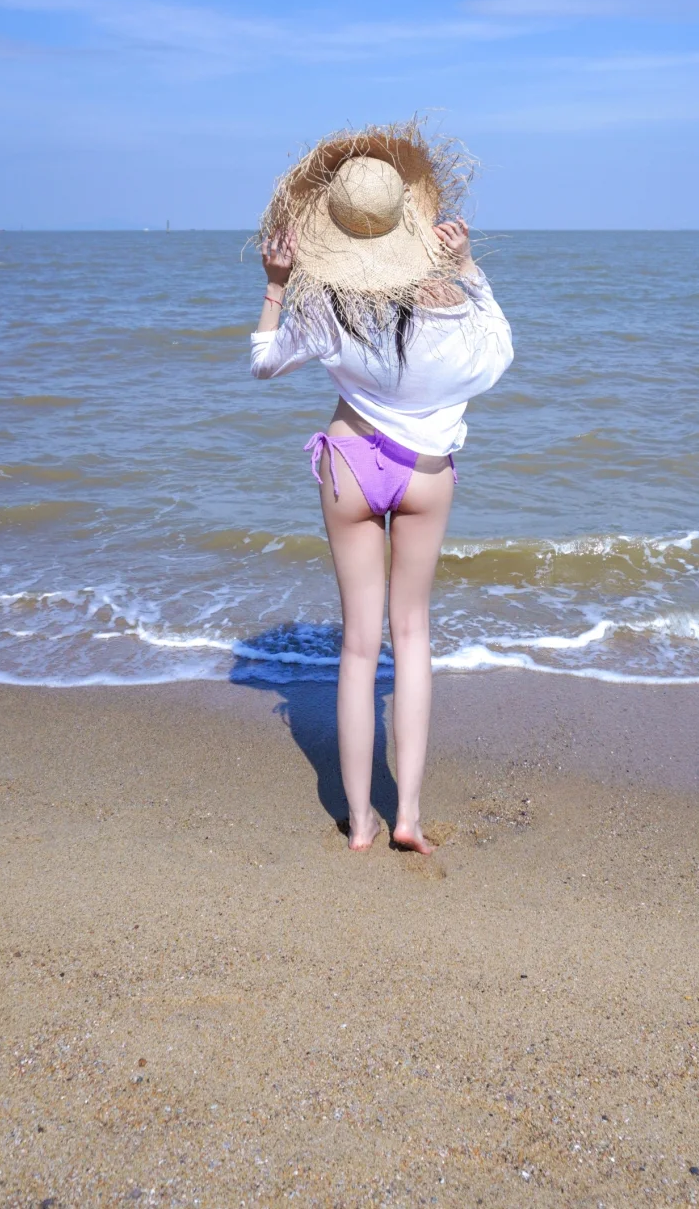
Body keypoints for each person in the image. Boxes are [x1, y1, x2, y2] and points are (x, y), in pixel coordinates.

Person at [249, 123, 513, 853]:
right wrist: (467, 269)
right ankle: (409, 817)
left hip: (351, 463)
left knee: (360, 647)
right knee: (413, 638)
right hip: (427, 477)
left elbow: (265, 364)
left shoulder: (327, 304)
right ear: (412, 220)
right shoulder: (454, 304)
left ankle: (359, 821)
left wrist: (275, 285)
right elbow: (500, 355)